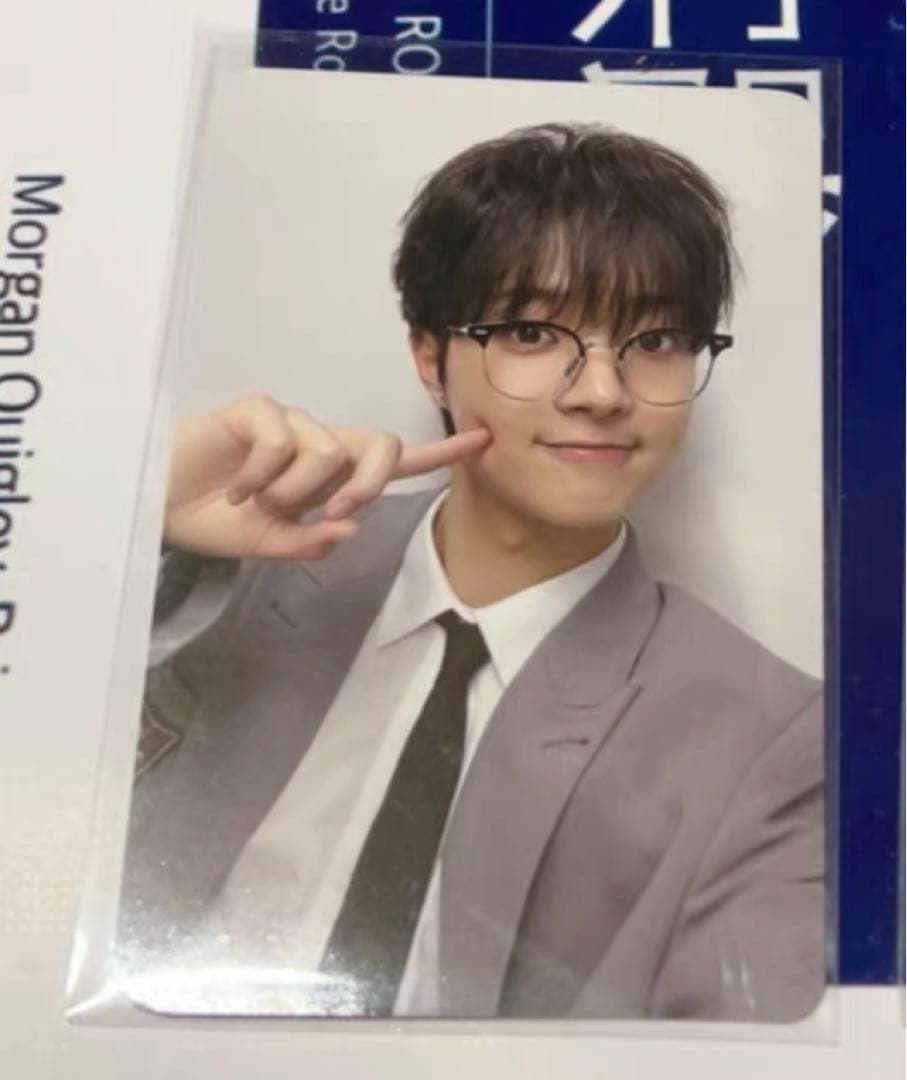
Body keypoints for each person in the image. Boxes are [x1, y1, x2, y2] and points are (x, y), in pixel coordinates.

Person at [120, 123, 824, 1022]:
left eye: (655, 340)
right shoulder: (243, 559)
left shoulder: (775, 738)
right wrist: (129, 529)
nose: (601, 393)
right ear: (429, 359)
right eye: (531, 331)